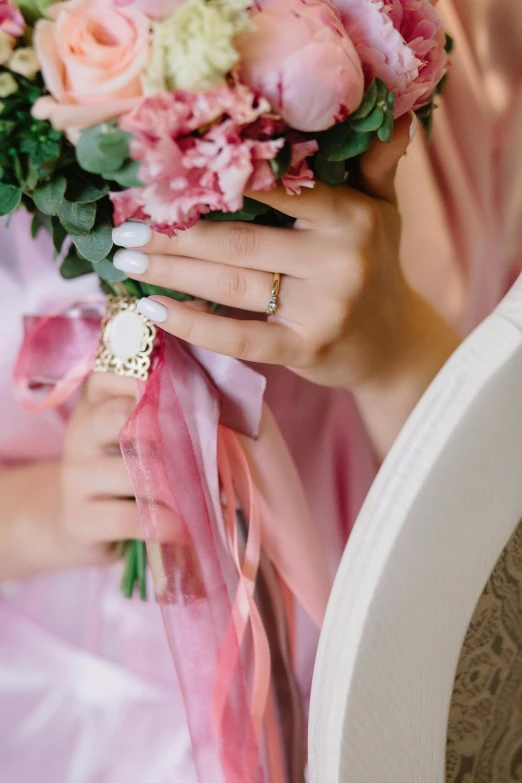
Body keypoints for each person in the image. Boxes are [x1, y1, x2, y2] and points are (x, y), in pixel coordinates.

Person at [1, 0, 520, 778]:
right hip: (77, 711)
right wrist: (59, 509)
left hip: (411, 675)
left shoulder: (463, 42)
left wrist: (400, 354)